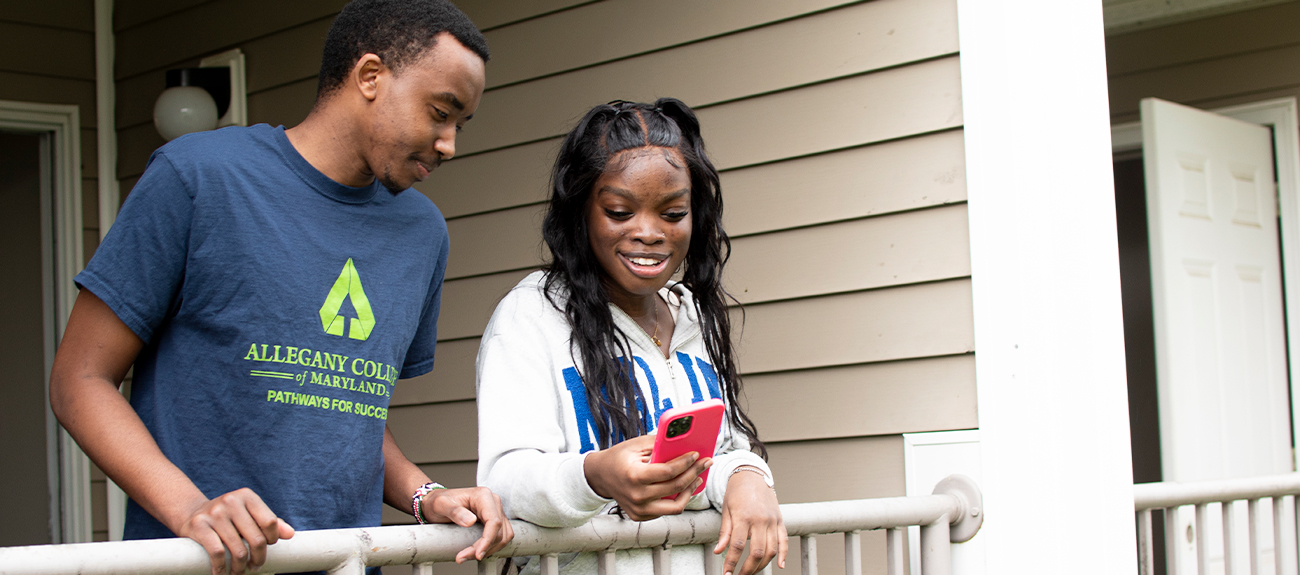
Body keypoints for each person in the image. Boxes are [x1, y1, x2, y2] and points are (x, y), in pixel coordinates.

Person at [48, 1, 512, 574]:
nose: (449, 144)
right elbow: (80, 379)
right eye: (441, 113)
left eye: (460, 126)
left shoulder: (421, 233)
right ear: (370, 76)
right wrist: (192, 508)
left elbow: (343, 404)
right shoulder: (198, 177)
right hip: (200, 564)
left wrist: (425, 495)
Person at [475, 99, 787, 575]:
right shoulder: (533, 314)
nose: (649, 232)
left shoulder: (694, 316)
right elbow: (506, 481)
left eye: (673, 211)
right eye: (620, 211)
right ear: (581, 211)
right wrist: (596, 476)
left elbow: (717, 456)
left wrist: (746, 475)